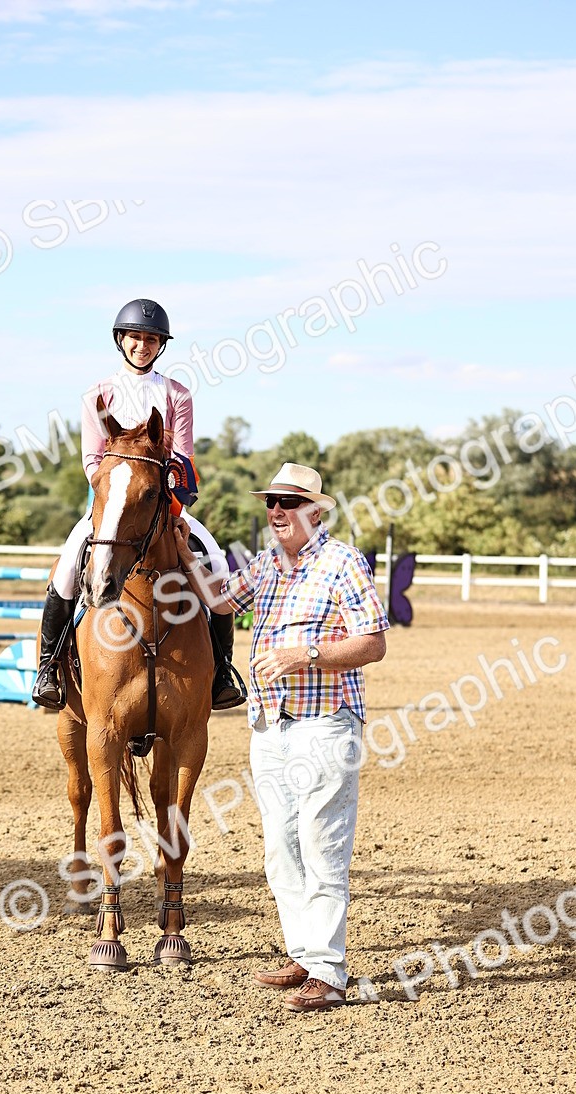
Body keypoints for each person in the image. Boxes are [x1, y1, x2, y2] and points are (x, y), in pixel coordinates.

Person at [174, 462, 389, 1013]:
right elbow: (220, 600)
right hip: (270, 725)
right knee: (279, 850)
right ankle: (304, 954)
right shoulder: (267, 564)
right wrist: (180, 548)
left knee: (323, 846)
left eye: (288, 503)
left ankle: (329, 973)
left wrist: (304, 655)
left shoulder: (343, 563)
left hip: (325, 722)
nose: (276, 512)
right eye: (271, 502)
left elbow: (372, 644)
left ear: (316, 513)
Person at [32, 298, 245, 712]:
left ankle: (221, 670)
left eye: (150, 339)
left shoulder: (177, 394)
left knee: (217, 562)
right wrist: (113, 491)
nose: (142, 346)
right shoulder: (97, 395)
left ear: (160, 345)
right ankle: (48, 667)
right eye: (135, 338)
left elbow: (182, 457)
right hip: (112, 501)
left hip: (162, 502)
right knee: (68, 567)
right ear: (121, 340)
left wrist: (172, 504)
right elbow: (92, 460)